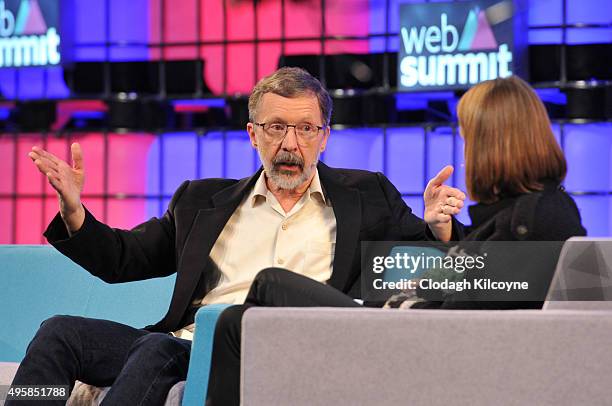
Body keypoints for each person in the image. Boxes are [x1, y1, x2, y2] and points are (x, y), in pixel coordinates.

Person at [8, 67, 465, 405]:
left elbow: (422, 268)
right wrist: (74, 211)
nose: (291, 143)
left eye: (306, 129)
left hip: (281, 349)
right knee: (60, 333)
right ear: (252, 134)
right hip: (186, 343)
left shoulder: (367, 194)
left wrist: (437, 228)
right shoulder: (200, 202)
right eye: (276, 128)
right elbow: (123, 259)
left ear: (324, 137)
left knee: (154, 349)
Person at [205, 75, 587, 405]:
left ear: (493, 144)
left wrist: (407, 304)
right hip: (405, 331)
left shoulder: (539, 217)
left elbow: (479, 308)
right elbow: (484, 278)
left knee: (267, 287)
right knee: (238, 320)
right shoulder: (521, 213)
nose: (467, 154)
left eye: (469, 141)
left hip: (408, 344)